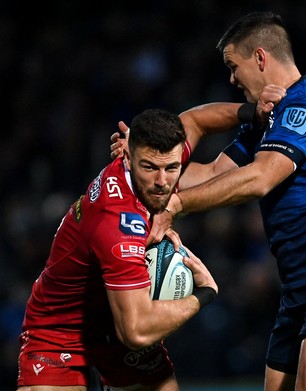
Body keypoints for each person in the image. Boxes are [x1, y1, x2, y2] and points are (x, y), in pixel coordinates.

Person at [114, 11, 306, 391]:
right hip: (297, 292)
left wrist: (177, 205)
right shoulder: (266, 122)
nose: (231, 78)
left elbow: (260, 178)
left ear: (260, 58)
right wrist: (142, 159)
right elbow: (208, 174)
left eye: (232, 65)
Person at [16, 109, 223, 391]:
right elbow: (135, 332)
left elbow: (198, 121)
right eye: (149, 167)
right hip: (60, 330)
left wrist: (254, 113)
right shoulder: (118, 224)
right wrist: (204, 295)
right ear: (127, 157)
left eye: (172, 168)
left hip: (118, 317)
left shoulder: (159, 154)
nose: (162, 181)